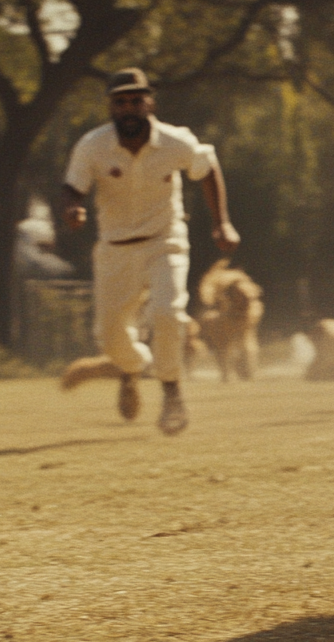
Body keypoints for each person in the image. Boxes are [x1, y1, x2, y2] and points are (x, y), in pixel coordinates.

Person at [62, 68, 240, 435]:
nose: (128, 108)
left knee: (167, 313)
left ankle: (171, 391)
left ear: (149, 102)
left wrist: (222, 222)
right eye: (120, 101)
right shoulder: (92, 145)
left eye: (135, 100)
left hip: (165, 241)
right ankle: (130, 368)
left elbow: (206, 168)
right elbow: (73, 187)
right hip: (114, 249)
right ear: (111, 106)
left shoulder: (176, 141)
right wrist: (72, 208)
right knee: (110, 337)